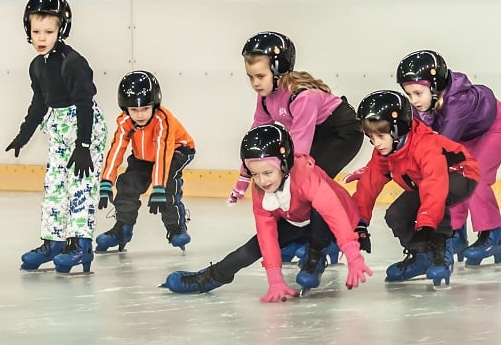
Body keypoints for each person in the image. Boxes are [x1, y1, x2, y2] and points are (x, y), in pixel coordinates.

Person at [163, 124, 372, 300]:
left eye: (267, 173)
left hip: (334, 224)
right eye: (255, 174)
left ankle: (315, 255)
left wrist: (353, 255)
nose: (262, 181)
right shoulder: (260, 190)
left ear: (284, 164)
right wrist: (275, 281)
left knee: (320, 213)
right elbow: (266, 236)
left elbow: (334, 213)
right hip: (297, 222)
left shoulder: (307, 176)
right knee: (248, 250)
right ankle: (211, 276)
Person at [228, 31, 364, 264]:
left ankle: (326, 243)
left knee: (309, 183)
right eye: (250, 77)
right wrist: (244, 173)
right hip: (317, 132)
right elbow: (256, 136)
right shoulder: (265, 97)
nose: (255, 83)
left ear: (278, 69)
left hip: (343, 132)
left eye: (260, 76)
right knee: (297, 185)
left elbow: (299, 151)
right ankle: (299, 239)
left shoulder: (303, 97)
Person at [6, 0, 107, 274]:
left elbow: (85, 104)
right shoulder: (37, 65)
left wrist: (84, 145)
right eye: (36, 31)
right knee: (54, 185)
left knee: (80, 186)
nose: (41, 37)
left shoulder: (72, 62)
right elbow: (39, 103)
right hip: (59, 127)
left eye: (48, 31)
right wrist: (24, 135)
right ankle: (53, 241)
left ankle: (80, 243)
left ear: (61, 29)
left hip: (84, 127)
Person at [397, 50, 501, 266]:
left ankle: (493, 236)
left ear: (434, 88)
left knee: (473, 175)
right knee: (452, 175)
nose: (413, 101)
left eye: (418, 93)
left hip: (495, 127)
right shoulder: (421, 105)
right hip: (464, 133)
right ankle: (456, 233)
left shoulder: (457, 102)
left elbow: (438, 147)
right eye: (408, 95)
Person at [353, 90, 480, 286]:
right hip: (426, 183)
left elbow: (435, 185)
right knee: (395, 214)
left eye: (380, 135)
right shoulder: (385, 152)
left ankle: (441, 252)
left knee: (438, 197)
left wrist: (426, 224)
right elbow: (369, 184)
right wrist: (359, 223)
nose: (375, 143)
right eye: (371, 136)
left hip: (461, 173)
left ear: (397, 130)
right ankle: (421, 255)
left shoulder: (425, 145)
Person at [94, 71, 195, 254]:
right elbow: (117, 149)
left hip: (177, 150)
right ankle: (122, 229)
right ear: (126, 109)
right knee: (127, 184)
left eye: (145, 109)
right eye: (134, 110)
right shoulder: (125, 121)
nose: (140, 115)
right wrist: (107, 181)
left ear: (155, 105)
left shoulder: (163, 120)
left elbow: (162, 154)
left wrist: (157, 187)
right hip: (145, 156)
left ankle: (175, 226)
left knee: (167, 185)